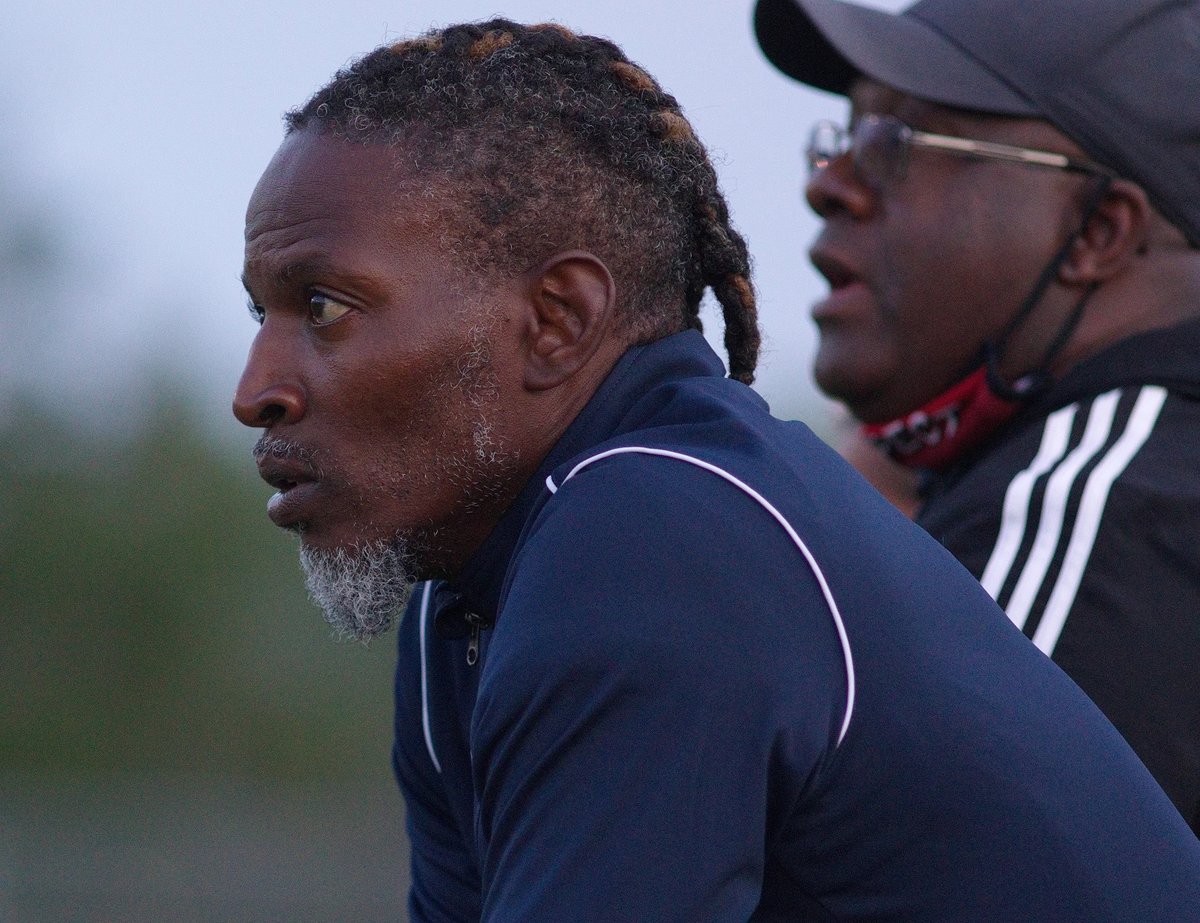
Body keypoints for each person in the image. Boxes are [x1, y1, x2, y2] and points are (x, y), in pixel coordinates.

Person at [233, 19, 1200, 920]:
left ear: (558, 321)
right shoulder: (470, 600)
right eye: (259, 315)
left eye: (324, 306)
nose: (256, 389)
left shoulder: (653, 533)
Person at [754, 0, 1200, 833]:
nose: (829, 183)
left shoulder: (1097, 511)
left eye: (896, 143)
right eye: (844, 135)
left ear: (1097, 231)